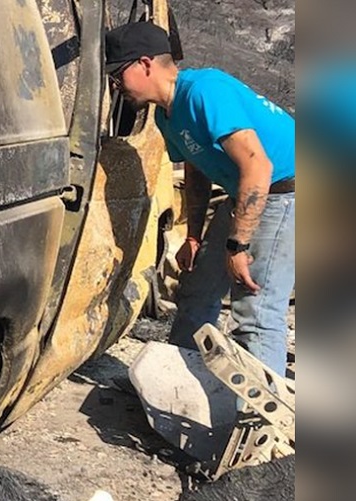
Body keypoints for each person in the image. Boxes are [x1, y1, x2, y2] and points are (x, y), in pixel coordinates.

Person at [105, 21, 295, 376]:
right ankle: (177, 386)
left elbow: (258, 165)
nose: (115, 86)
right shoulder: (166, 115)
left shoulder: (204, 91)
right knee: (197, 291)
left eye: (117, 74)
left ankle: (264, 427)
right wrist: (194, 236)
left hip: (286, 192)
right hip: (250, 191)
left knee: (255, 312)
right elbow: (197, 171)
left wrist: (238, 246)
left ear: (144, 64)